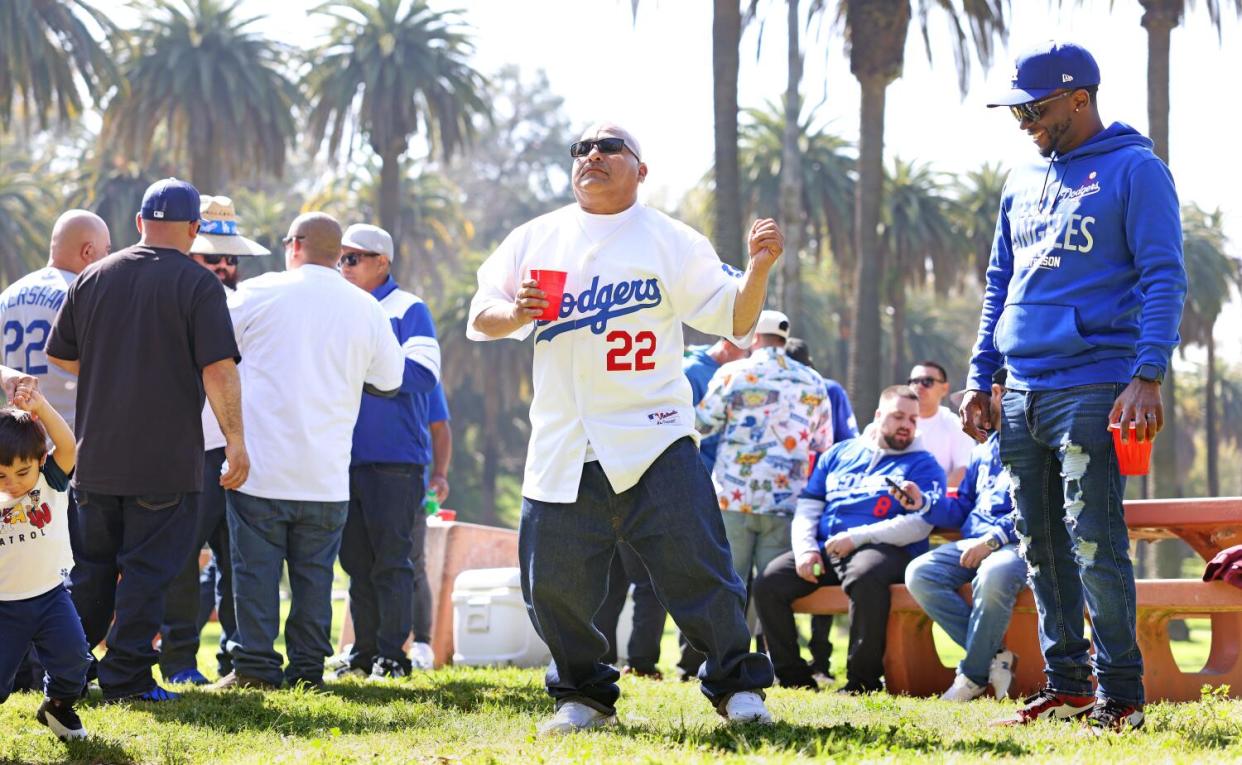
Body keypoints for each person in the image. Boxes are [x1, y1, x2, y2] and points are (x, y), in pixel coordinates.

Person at [467, 122, 779, 734]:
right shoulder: (535, 237)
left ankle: (738, 687)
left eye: (609, 147)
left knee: (701, 569)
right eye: (582, 147)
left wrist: (760, 268)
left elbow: (733, 318)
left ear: (640, 169)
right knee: (550, 583)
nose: (593, 155)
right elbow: (481, 314)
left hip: (654, 433)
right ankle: (583, 694)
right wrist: (515, 312)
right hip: (564, 438)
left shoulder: (672, 239)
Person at [961, 41, 1187, 731]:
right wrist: (981, 376)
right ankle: (1066, 685)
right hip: (1021, 387)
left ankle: (1121, 696)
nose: (1023, 120)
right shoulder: (1020, 178)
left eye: (1034, 107)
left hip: (1094, 382)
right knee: (1038, 544)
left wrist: (1147, 373)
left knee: (1094, 540)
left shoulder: (1136, 170)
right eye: (1016, 109)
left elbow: (1164, 275)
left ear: (1079, 99)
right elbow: (999, 281)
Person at [48, 178, 248, 703]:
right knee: (146, 573)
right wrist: (236, 441)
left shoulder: (92, 277)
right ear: (194, 229)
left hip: (94, 458)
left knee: (90, 573)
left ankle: (63, 674)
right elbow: (219, 370)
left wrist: (114, 365)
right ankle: (127, 679)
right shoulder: (198, 285)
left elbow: (62, 357)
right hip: (163, 463)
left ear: (139, 223)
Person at [211, 213, 403, 691]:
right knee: (314, 580)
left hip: (260, 467)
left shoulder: (259, 292)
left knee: (255, 575)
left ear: (294, 245)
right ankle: (307, 672)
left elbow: (211, 347)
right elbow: (391, 379)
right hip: (327, 473)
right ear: (338, 254)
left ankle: (255, 667)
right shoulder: (366, 308)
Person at [753, 385, 947, 693]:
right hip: (827, 549)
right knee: (768, 582)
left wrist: (856, 538)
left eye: (913, 419)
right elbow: (809, 505)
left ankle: (862, 681)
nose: (906, 426)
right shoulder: (840, 454)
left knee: (865, 575)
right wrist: (804, 551)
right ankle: (793, 677)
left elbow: (920, 524)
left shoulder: (923, 464)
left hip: (886, 550)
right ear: (878, 415)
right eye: (898, 416)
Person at [159, 195, 270, 685]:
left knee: (236, 559)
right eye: (213, 256)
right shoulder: (172, 299)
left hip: (241, 449)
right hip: (188, 449)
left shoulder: (250, 304)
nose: (225, 266)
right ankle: (180, 660)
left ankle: (235, 658)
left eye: (232, 258)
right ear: (189, 251)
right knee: (183, 559)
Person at [0, 209, 109, 694]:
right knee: (61, 567)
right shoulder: (83, 290)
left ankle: (23, 671)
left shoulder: (9, 295)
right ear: (88, 251)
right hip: (52, 449)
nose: (103, 262)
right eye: (103, 253)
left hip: (6, 447)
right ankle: (58, 668)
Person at [333, 222, 441, 681]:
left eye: (354, 258)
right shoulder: (338, 308)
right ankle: (363, 653)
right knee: (357, 562)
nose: (344, 266)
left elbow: (422, 374)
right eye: (340, 258)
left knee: (393, 561)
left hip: (396, 461)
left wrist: (363, 370)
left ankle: (393, 656)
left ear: (382, 263)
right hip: (342, 458)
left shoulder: (409, 308)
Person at [696, 309, 832, 646]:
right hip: (787, 498)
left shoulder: (732, 373)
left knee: (729, 581)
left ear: (753, 336)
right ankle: (771, 658)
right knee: (772, 586)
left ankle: (723, 656)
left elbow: (703, 424)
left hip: (733, 495)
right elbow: (822, 441)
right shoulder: (812, 380)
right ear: (784, 339)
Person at [904, 369, 1025, 701]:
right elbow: (964, 507)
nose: (969, 412)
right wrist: (924, 503)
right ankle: (995, 656)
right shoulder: (982, 449)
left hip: (1015, 544)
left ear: (997, 395)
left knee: (995, 572)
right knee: (920, 573)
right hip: (973, 541)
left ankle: (971, 676)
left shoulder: (1035, 442)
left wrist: (993, 541)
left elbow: (1040, 508)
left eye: (974, 402)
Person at [0, 379, 91, 740]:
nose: (14, 483)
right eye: (2, 476)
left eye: (22, 472)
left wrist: (40, 407)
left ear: (39, 461)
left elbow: (67, 444)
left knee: (74, 662)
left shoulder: (51, 481)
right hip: (5, 607)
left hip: (52, 596)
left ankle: (55, 708)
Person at [783, 336, 857, 681]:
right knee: (816, 567)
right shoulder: (827, 388)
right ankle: (819, 660)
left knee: (795, 570)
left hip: (773, 497)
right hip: (814, 494)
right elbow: (845, 440)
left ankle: (781, 656)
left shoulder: (760, 381)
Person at [674, 337, 747, 680]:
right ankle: (690, 663)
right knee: (697, 569)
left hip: (723, 485)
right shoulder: (693, 370)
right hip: (693, 480)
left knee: (716, 571)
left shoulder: (729, 371)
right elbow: (686, 425)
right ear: (732, 343)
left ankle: (715, 662)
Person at [907, 360, 974, 486]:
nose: (919, 386)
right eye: (914, 381)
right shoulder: (892, 421)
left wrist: (929, 498)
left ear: (944, 388)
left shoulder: (956, 425)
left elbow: (963, 470)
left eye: (927, 381)